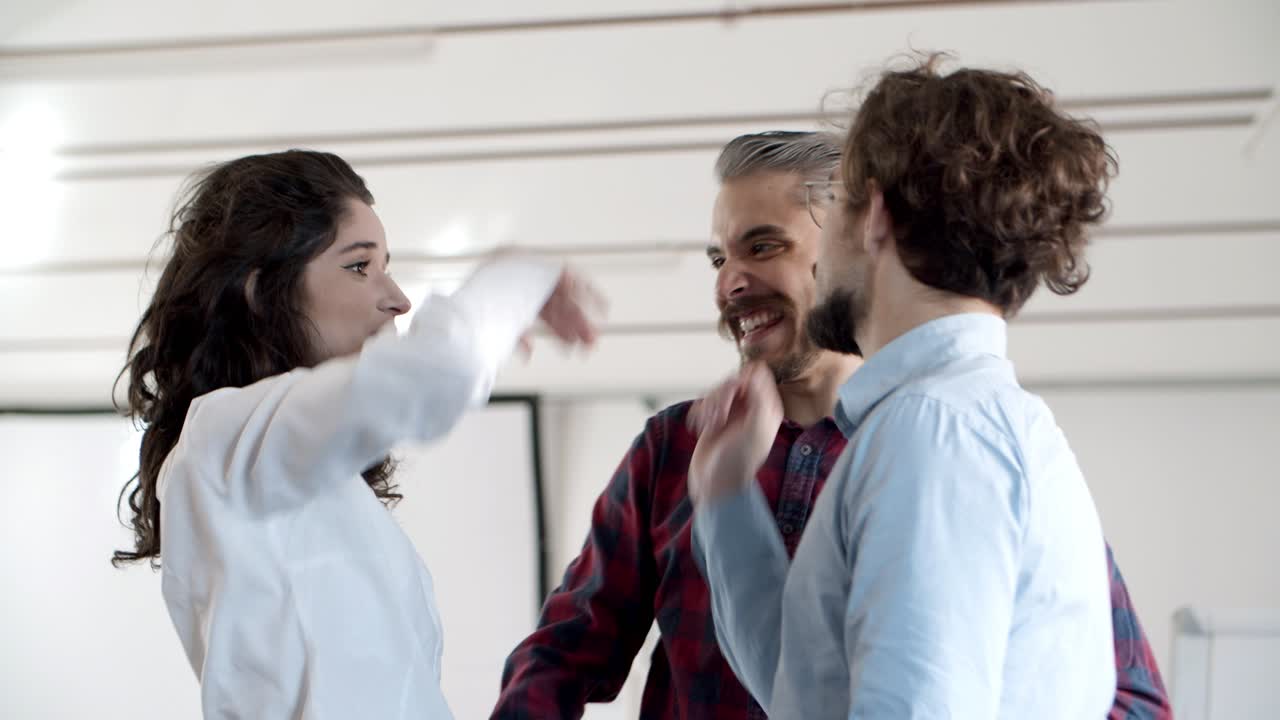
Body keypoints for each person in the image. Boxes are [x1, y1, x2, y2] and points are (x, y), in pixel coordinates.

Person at [492, 131, 1170, 718]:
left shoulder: (936, 445)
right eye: (719, 258)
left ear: (850, 242)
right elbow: (560, 656)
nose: (729, 281)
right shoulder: (676, 448)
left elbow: (1132, 699)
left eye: (762, 246)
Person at [690, 58, 1123, 718]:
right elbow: (805, 689)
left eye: (833, 209)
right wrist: (725, 497)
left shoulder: (934, 434)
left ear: (876, 218)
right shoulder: (947, 423)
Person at [111, 149, 601, 719]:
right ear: (259, 289)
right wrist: (519, 278)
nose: (397, 298)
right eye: (358, 266)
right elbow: (432, 373)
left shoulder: (316, 483)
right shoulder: (219, 438)